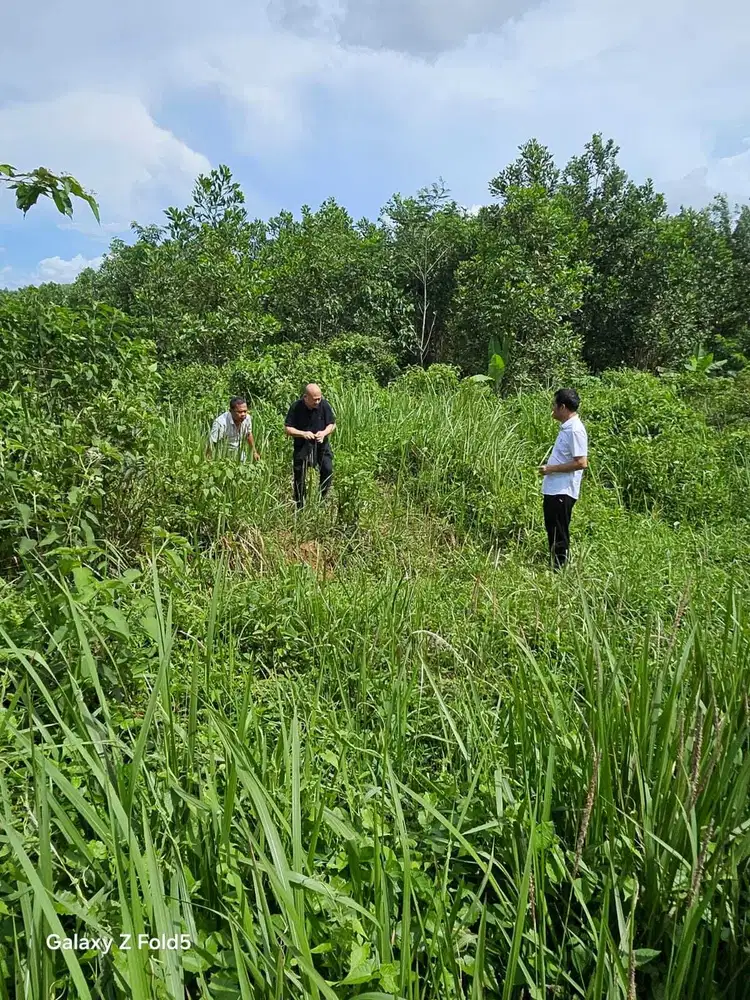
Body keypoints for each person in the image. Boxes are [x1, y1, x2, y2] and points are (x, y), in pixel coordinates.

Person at [538, 388, 588, 569]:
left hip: (563, 489)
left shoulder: (575, 430)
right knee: (552, 528)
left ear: (563, 407)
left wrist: (551, 469)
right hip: (554, 488)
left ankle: (558, 570)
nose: (553, 408)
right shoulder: (567, 428)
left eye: (555, 405)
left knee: (559, 531)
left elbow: (581, 462)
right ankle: (554, 566)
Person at [284, 384, 336, 509]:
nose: (317, 402)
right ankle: (300, 504)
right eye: (314, 399)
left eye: (319, 398)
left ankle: (322, 499)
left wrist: (324, 433)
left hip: (321, 444)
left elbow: (332, 424)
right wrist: (303, 433)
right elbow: (287, 428)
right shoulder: (296, 407)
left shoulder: (324, 405)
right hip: (302, 445)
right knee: (299, 475)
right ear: (305, 397)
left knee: (327, 469)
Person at [207, 397, 260, 461]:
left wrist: (254, 452)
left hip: (239, 453)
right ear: (231, 411)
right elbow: (212, 443)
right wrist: (209, 462)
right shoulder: (221, 423)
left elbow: (248, 434)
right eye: (239, 412)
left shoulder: (247, 418)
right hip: (222, 457)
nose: (243, 414)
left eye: (245, 411)